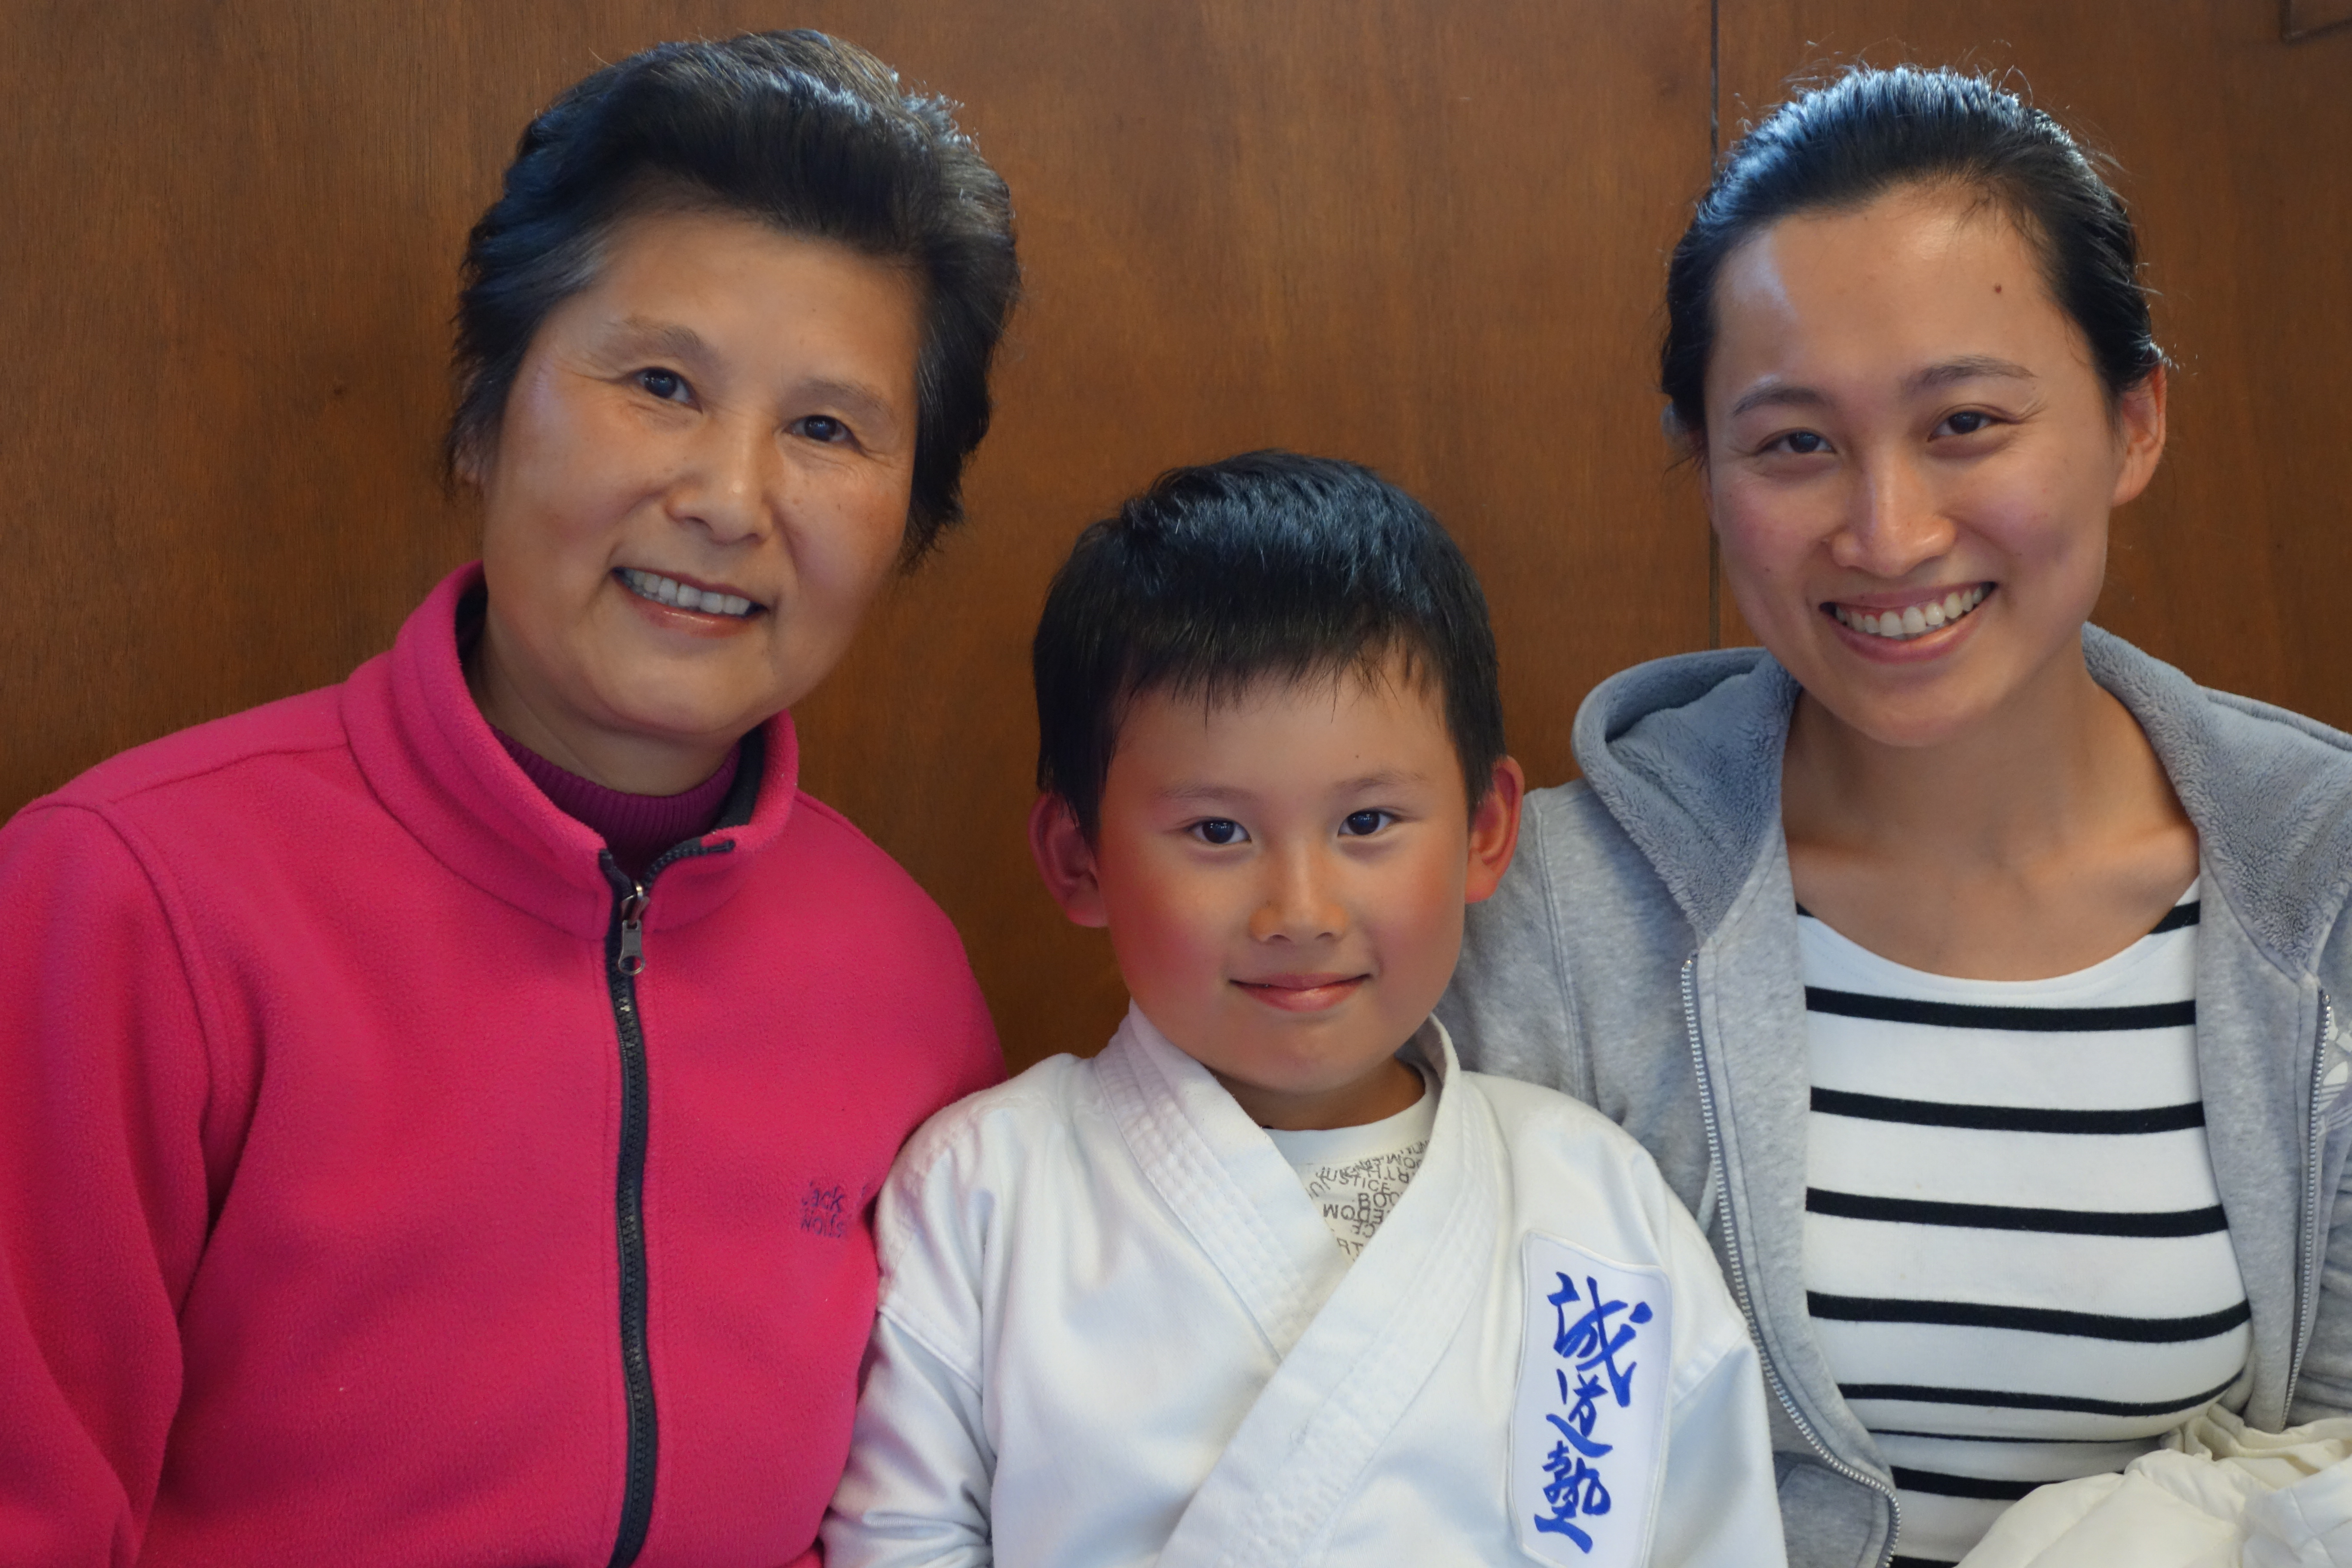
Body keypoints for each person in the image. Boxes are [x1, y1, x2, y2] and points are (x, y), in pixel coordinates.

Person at [0, 31, 1016, 1568]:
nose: (729, 500)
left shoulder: (910, 979)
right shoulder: (124, 901)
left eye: (826, 429)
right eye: (661, 384)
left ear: (909, 518)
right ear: (485, 415)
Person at [1439, 64, 2352, 1568]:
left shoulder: (2323, 888)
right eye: (1795, 444)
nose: (1887, 532)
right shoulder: (1553, 912)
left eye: (1966, 422)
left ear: (2134, 422)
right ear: (1709, 469)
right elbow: (1450, 1434)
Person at [822, 452, 1786, 1568]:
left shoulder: (1595, 1200)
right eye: (1217, 833)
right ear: (1080, 858)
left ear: (1486, 831)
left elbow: (1711, 1534)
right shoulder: (986, 1191)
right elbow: (902, 1540)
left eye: (1368, 823)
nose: (1301, 911)